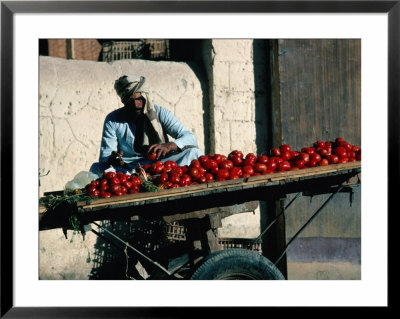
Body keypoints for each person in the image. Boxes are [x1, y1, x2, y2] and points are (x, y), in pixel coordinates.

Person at [90, 74, 202, 177]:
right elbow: (105, 157)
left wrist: (169, 145)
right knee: (96, 168)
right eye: (130, 100)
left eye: (139, 99)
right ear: (124, 101)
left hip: (161, 164)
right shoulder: (113, 119)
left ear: (145, 97)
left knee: (193, 152)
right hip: (129, 169)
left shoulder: (160, 113)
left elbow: (190, 138)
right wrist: (113, 159)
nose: (136, 104)